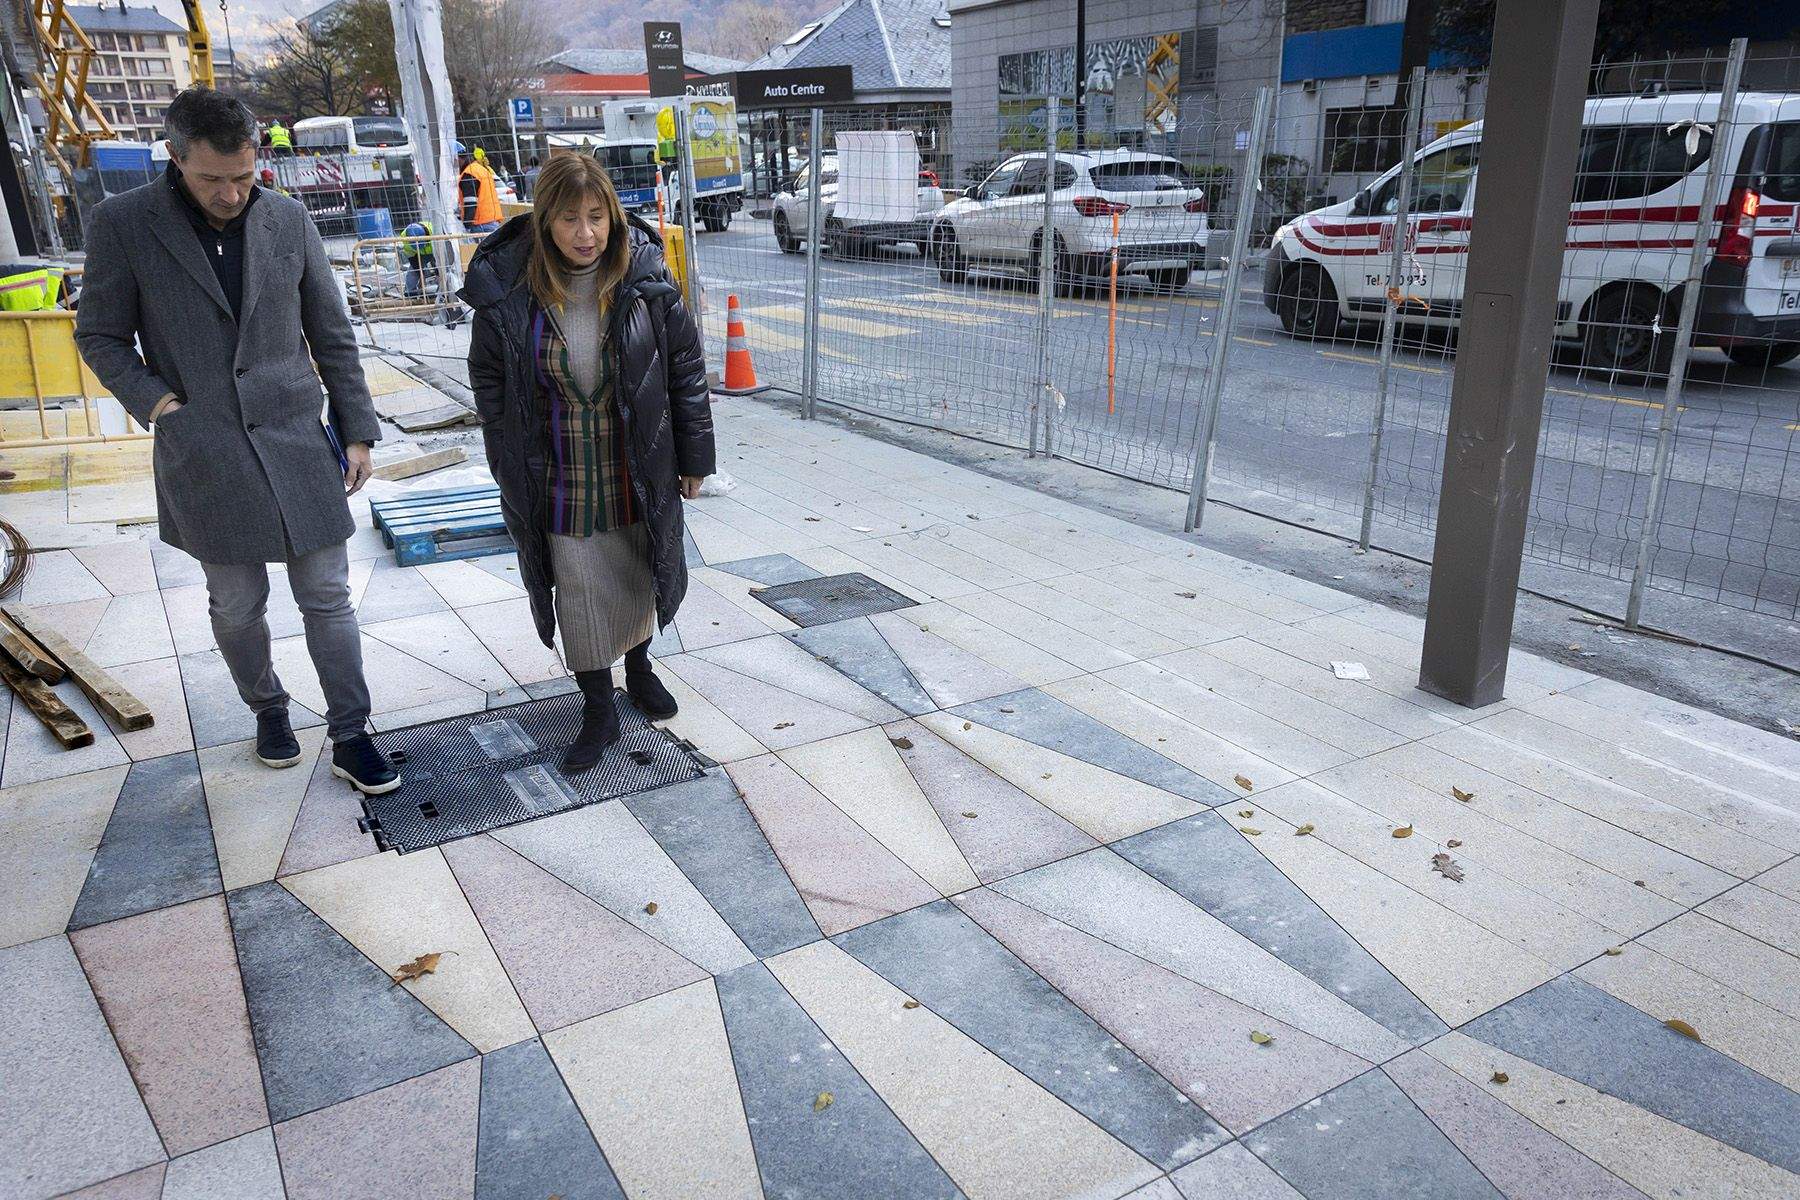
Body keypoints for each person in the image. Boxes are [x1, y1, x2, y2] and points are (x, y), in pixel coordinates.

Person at [75, 87, 399, 797]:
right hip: (205, 445)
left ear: (258, 159)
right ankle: (269, 709)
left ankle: (352, 732)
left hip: (295, 438)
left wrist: (358, 432)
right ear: (175, 157)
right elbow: (98, 333)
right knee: (237, 603)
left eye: (243, 177)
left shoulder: (287, 219)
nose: (230, 194)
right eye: (211, 179)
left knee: (327, 594)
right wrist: (158, 402)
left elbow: (331, 334)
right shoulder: (124, 223)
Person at [462, 153, 714, 772]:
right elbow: (489, 378)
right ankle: (597, 705)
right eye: (570, 219)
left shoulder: (645, 278)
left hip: (635, 458)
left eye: (597, 217)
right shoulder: (510, 290)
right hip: (558, 467)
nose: (585, 234)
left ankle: (639, 667)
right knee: (575, 581)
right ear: (546, 220)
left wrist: (694, 457)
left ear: (614, 217)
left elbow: (685, 370)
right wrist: (504, 456)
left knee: (636, 566)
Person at [457, 142, 502, 233]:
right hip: (492, 221)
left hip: (480, 224)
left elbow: (471, 203)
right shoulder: (480, 169)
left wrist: (466, 226)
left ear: (456, 158)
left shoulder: (469, 174)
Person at [399, 219, 434, 298]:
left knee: (440, 270)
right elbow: (412, 259)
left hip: (435, 252)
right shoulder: (405, 239)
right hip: (417, 254)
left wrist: (437, 271)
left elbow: (441, 255)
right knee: (414, 271)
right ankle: (410, 292)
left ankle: (440, 290)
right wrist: (420, 273)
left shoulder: (434, 231)